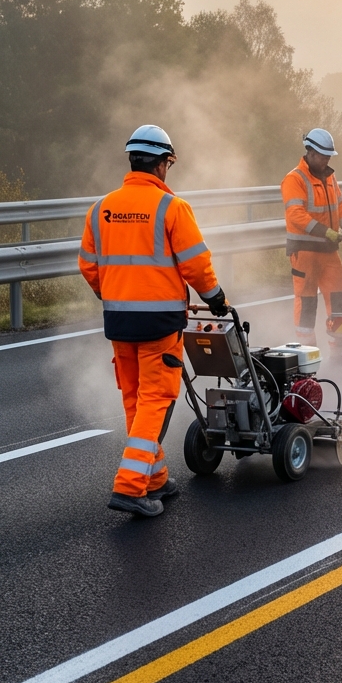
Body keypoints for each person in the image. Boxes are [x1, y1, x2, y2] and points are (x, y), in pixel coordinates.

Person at [78, 125, 227, 517]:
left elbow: (89, 266)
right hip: (160, 323)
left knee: (134, 399)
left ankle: (155, 478)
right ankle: (129, 488)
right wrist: (215, 299)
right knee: (155, 402)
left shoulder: (101, 209)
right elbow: (196, 263)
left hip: (118, 322)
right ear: (162, 164)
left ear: (132, 160)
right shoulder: (171, 208)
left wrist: (111, 295)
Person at [281, 128, 342, 348]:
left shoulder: (330, 177)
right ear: (310, 152)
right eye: (323, 156)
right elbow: (296, 215)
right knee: (307, 303)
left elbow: (340, 206)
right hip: (304, 252)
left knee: (339, 299)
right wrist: (325, 231)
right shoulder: (294, 179)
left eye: (328, 157)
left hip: (329, 251)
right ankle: (308, 354)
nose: (326, 161)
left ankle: (339, 351)